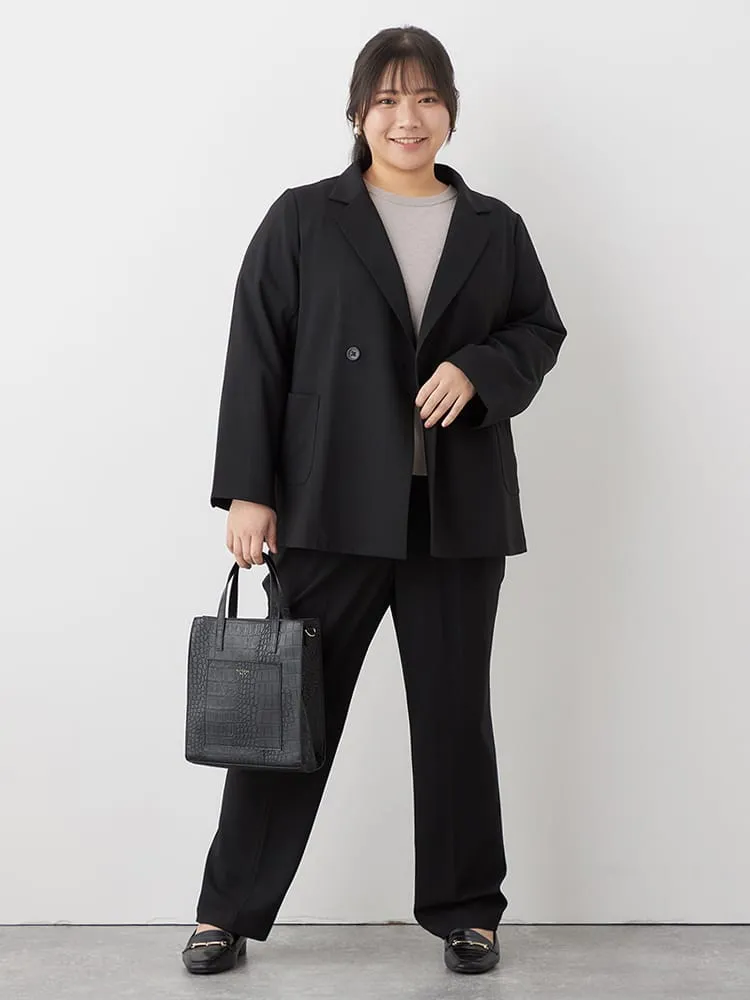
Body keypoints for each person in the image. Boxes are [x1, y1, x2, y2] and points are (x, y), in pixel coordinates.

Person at [182, 24, 567, 977]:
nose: (408, 117)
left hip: (455, 515)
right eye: (388, 98)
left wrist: (479, 369)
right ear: (358, 113)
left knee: (453, 719)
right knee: (288, 718)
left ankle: (467, 910)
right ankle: (227, 910)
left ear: (451, 113)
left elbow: (539, 329)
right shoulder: (303, 218)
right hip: (329, 509)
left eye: (426, 97)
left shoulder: (495, 228)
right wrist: (249, 491)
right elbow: (256, 353)